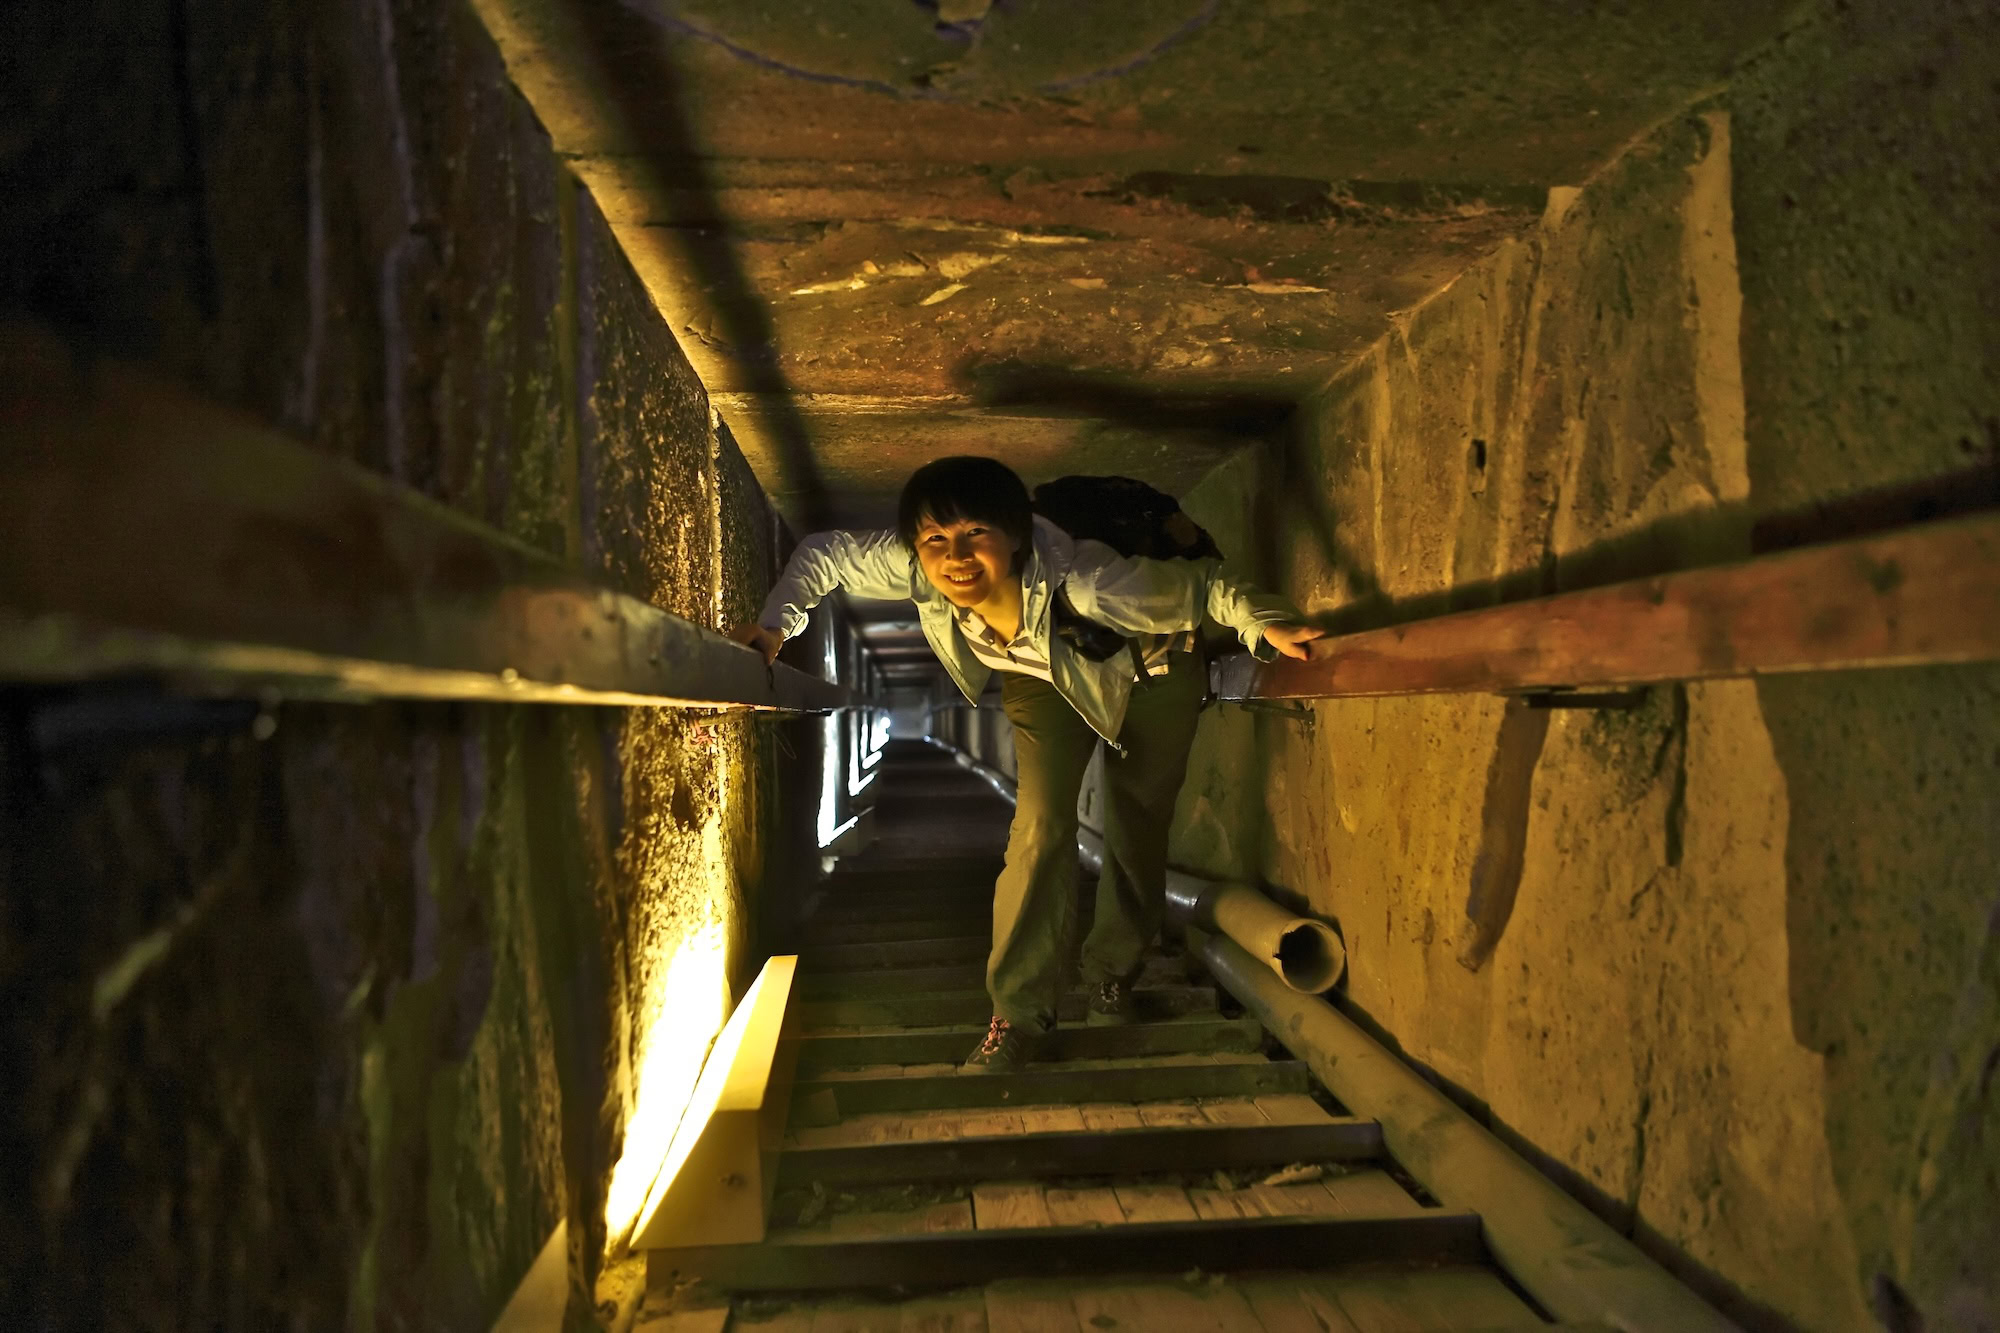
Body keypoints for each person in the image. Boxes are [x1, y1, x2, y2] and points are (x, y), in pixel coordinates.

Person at [731, 456, 1322, 1072]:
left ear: (1015, 535)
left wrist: (1266, 623)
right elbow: (826, 554)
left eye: (975, 534)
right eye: (935, 538)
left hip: (1151, 675)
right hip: (1038, 678)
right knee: (1038, 829)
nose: (954, 556)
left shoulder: (1092, 582)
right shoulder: (920, 565)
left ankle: (1112, 973)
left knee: (1136, 818)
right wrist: (775, 628)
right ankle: (1016, 1014)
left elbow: (1203, 589)